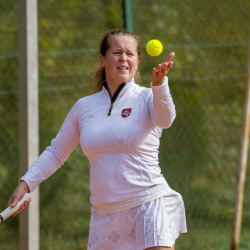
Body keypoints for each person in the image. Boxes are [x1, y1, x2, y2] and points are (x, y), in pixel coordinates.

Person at [8, 29, 187, 250]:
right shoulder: (84, 107)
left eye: (130, 54)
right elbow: (56, 153)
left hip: (148, 204)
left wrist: (159, 86)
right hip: (105, 215)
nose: (123, 58)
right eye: (117, 52)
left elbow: (166, 119)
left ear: (138, 61)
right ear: (103, 59)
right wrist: (25, 185)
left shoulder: (148, 97)